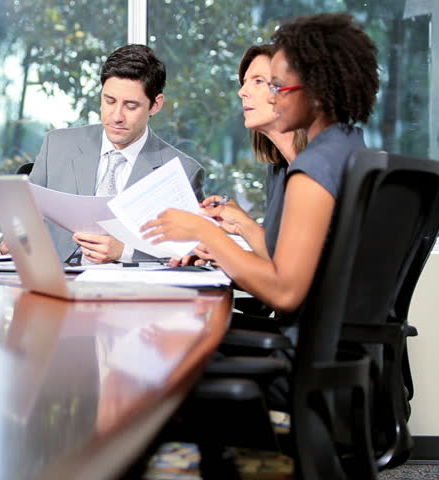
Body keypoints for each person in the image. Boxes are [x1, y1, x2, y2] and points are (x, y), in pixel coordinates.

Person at [143, 12, 379, 314]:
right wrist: (235, 233)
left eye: (278, 86)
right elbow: (299, 267)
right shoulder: (348, 148)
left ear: (316, 90)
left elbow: (284, 293)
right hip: (343, 345)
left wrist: (206, 234)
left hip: (304, 351)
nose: (275, 97)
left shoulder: (315, 168)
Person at [27, 44, 205, 264]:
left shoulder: (183, 172)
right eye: (109, 101)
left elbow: (190, 252)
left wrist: (125, 251)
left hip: (132, 291)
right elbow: (25, 215)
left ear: (155, 105)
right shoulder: (57, 145)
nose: (116, 116)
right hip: (56, 281)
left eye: (130, 106)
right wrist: (16, 238)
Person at [176, 44, 308, 267]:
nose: (242, 92)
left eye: (257, 81)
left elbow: (292, 275)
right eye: (244, 82)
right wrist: (234, 232)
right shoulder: (280, 169)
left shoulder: (317, 172)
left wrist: (225, 249)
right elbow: (275, 254)